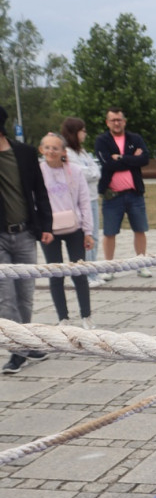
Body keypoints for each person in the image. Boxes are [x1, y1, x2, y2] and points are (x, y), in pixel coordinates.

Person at [0, 104, 52, 374]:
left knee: (26, 296)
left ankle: (26, 342)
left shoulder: (25, 153)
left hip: (25, 233)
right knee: (4, 298)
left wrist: (46, 225)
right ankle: (17, 350)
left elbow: (39, 191)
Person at [38, 133, 94, 329]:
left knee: (79, 272)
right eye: (47, 148)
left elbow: (84, 201)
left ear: (63, 151)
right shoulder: (37, 171)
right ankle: (63, 318)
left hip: (74, 227)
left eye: (56, 148)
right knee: (55, 274)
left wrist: (88, 231)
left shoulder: (74, 171)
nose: (51, 152)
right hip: (49, 229)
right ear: (41, 150)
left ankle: (86, 316)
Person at [94, 107, 151, 279]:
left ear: (124, 121)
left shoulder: (135, 138)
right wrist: (131, 158)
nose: (117, 123)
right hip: (112, 195)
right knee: (109, 232)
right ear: (107, 122)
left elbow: (144, 159)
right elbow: (108, 164)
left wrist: (120, 157)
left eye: (119, 119)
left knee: (140, 229)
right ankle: (109, 268)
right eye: (113, 120)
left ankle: (141, 264)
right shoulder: (102, 140)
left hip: (134, 194)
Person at [60, 117, 102, 287]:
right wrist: (92, 172)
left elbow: (96, 171)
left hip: (92, 198)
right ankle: (85, 275)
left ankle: (93, 271)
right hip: (79, 201)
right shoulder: (68, 153)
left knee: (94, 237)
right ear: (74, 132)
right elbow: (81, 174)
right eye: (82, 131)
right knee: (86, 238)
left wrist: (92, 172)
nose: (85, 134)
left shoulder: (82, 152)